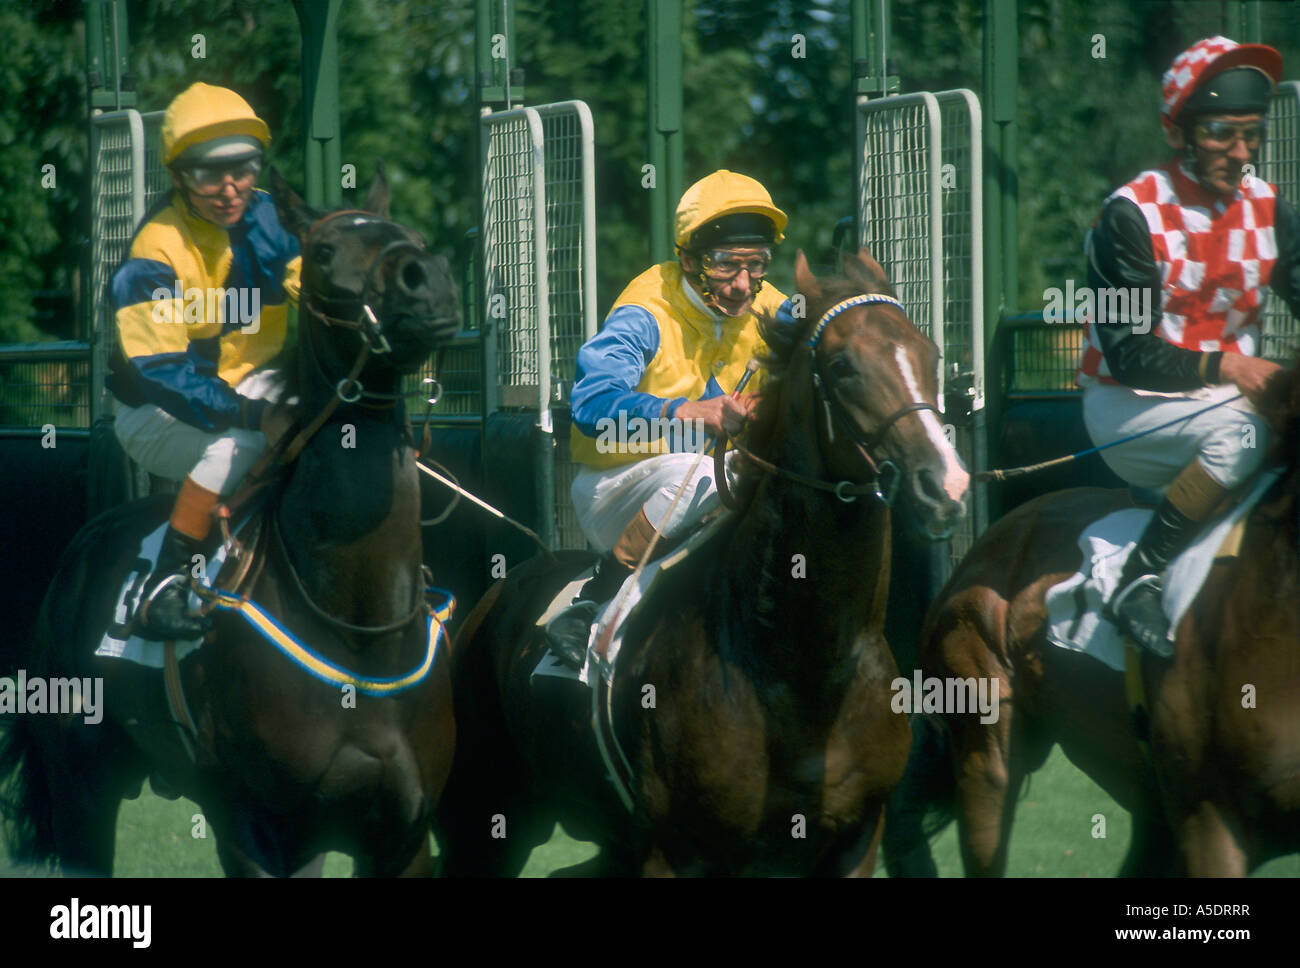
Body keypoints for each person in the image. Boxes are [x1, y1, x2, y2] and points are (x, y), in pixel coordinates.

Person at [1076, 37, 1300, 656]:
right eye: (1221, 133)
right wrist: (1229, 364)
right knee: (1249, 432)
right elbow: (1127, 353)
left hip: (1225, 397)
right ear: (1177, 133)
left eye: (1251, 135)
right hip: (1130, 404)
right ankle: (1137, 575)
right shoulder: (1130, 215)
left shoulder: (1269, 207)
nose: (1240, 152)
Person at [546, 170, 790, 663]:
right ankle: (594, 597)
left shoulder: (775, 308)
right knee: (702, 473)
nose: (744, 285)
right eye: (726, 266)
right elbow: (591, 408)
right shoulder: (645, 309)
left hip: (725, 489)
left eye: (756, 264)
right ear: (689, 259)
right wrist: (687, 413)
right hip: (617, 486)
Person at [107, 82, 302, 641]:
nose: (229, 188)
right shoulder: (155, 247)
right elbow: (163, 373)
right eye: (207, 174)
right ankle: (165, 581)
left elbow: (314, 289)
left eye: (243, 168)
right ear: (177, 177)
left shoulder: (269, 219)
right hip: (156, 412)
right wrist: (250, 414)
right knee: (241, 443)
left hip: (251, 388)